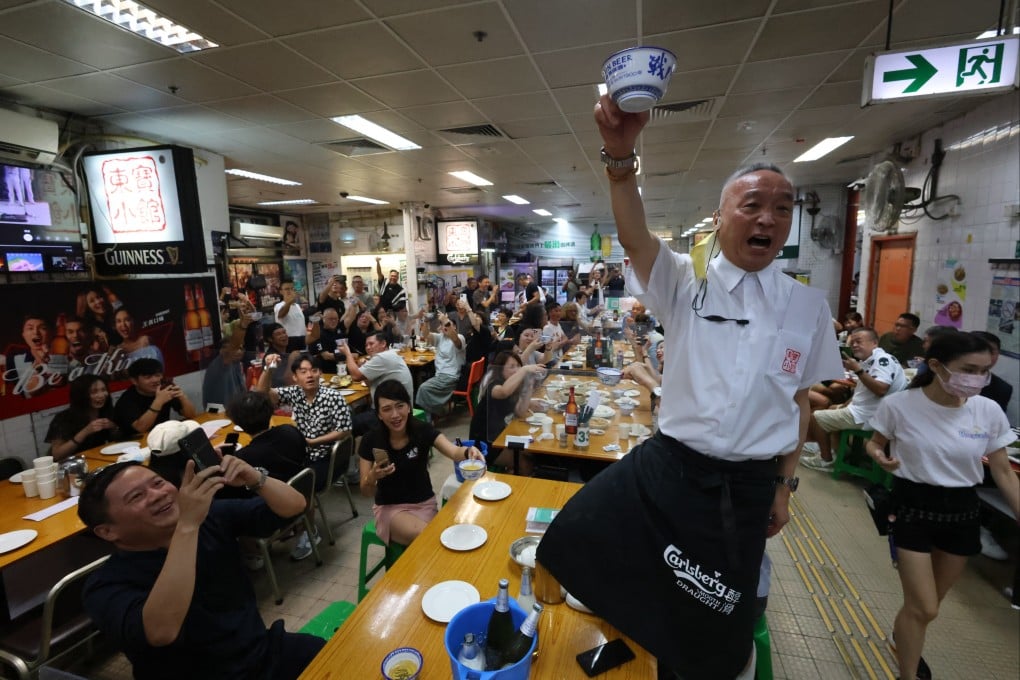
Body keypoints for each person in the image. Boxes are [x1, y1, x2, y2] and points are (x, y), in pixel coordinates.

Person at [536, 96, 843, 680]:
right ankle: (631, 646)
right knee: (571, 536)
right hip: (668, 467)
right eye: (752, 205)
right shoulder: (684, 281)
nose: (768, 219)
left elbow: (799, 400)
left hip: (746, 488)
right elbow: (633, 236)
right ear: (721, 215)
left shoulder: (806, 307)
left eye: (783, 208)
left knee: (717, 633)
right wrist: (621, 158)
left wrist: (785, 487)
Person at [78, 458, 322, 680]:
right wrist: (187, 525)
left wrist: (255, 478)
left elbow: (296, 505)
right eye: (136, 497)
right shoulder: (105, 585)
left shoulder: (208, 518)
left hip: (261, 654)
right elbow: (161, 631)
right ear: (107, 531)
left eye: (158, 483)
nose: (157, 495)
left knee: (339, 657)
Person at [865, 332, 1018, 680]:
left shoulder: (988, 410)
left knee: (926, 610)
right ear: (936, 366)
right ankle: (908, 673)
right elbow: (875, 444)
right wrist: (880, 456)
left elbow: (1004, 472)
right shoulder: (901, 406)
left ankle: (901, 637)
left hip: (962, 512)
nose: (977, 379)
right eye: (969, 369)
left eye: (984, 371)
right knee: (925, 605)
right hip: (912, 509)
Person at [358, 380, 484, 546]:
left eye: (400, 406)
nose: (395, 414)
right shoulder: (370, 440)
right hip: (391, 509)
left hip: (425, 504)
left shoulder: (422, 430)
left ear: (409, 407)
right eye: (387, 409)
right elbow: (365, 491)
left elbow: (453, 451)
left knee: (448, 536)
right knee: (432, 539)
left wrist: (469, 452)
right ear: (379, 414)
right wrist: (373, 476)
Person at [256, 352, 353, 559]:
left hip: (327, 456)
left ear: (319, 373)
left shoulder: (332, 396)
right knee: (273, 477)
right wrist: (268, 369)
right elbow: (261, 394)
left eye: (313, 370)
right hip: (302, 454)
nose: (309, 375)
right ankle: (290, 521)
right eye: (303, 371)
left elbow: (344, 430)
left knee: (301, 485)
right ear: (295, 377)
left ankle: (310, 532)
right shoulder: (295, 393)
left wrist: (311, 442)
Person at [801, 327, 907, 470]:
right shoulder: (871, 360)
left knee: (816, 418)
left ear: (874, 343)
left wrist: (858, 370)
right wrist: (845, 404)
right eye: (853, 342)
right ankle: (839, 453)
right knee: (833, 407)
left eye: (859, 342)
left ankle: (825, 459)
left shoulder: (882, 360)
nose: (854, 345)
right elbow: (863, 394)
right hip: (869, 410)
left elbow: (881, 389)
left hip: (872, 416)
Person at [468, 351, 543, 475]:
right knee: (525, 462)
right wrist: (523, 370)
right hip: (485, 445)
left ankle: (512, 475)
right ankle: (518, 486)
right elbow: (503, 392)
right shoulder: (494, 386)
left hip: (501, 435)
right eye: (512, 367)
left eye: (518, 366)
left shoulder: (513, 387)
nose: (516, 370)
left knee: (533, 452)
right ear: (500, 370)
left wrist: (529, 386)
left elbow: (520, 411)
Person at [340, 330, 414, 436]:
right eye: (366, 345)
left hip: (391, 412)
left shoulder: (382, 357)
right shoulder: (391, 354)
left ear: (383, 343)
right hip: (402, 408)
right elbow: (369, 383)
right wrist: (364, 370)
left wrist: (347, 353)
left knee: (347, 424)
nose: (368, 348)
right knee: (358, 410)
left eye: (371, 344)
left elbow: (355, 376)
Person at [114, 358, 197, 437]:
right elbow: (140, 428)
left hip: (163, 437)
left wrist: (182, 397)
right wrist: (158, 402)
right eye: (148, 377)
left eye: (157, 375)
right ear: (134, 381)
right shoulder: (126, 400)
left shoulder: (165, 388)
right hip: (134, 444)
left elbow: (191, 416)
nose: (155, 380)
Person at [45, 374, 118, 460]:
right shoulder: (63, 418)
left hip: (101, 458)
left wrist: (113, 427)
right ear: (80, 395)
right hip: (75, 465)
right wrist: (85, 432)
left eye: (103, 390)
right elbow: (57, 455)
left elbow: (118, 440)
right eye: (94, 392)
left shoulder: (107, 411)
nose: (101, 395)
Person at [414, 313, 466, 418]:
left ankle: (428, 419)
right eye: (443, 325)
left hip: (450, 377)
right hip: (440, 376)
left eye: (448, 325)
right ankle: (433, 412)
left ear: (454, 327)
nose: (445, 327)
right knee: (420, 382)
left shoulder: (460, 337)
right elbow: (426, 335)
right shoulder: (441, 337)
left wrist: (446, 322)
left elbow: (456, 341)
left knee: (423, 388)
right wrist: (425, 320)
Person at [202, 313, 250, 409]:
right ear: (221, 351)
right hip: (216, 413)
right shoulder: (219, 364)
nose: (238, 351)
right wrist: (242, 326)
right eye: (235, 348)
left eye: (240, 348)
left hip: (234, 411)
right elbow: (234, 346)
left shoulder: (236, 363)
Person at [76, 285, 118, 349]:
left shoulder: (114, 315)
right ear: (86, 306)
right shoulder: (88, 328)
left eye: (99, 297)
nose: (98, 301)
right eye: (92, 301)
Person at [305, 307, 344, 373]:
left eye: (335, 319)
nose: (334, 321)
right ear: (323, 319)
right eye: (330, 319)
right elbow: (326, 356)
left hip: (339, 367)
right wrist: (347, 356)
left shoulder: (339, 332)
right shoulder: (318, 333)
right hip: (324, 370)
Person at [274, 280, 306, 352]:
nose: (290, 291)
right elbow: (281, 314)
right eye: (287, 289)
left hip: (302, 339)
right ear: (281, 292)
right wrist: (289, 302)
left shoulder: (297, 306)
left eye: (292, 289)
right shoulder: (279, 305)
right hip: (289, 340)